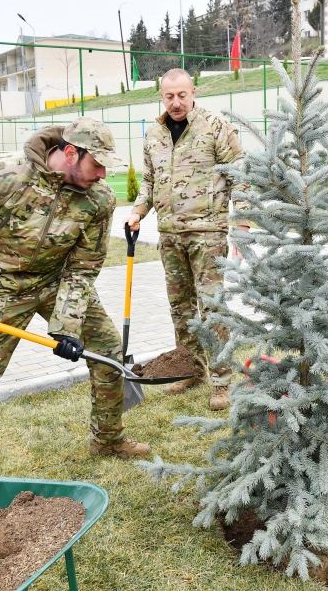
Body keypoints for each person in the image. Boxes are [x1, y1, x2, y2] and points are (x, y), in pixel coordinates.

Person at [0, 118, 150, 473]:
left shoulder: (99, 199)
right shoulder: (6, 174)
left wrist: (66, 326)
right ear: (71, 153)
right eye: (97, 164)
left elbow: (83, 267)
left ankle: (108, 439)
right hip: (2, 289)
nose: (103, 174)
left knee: (106, 349)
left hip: (58, 281)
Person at [126, 68, 249, 411]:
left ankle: (221, 381)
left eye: (182, 95)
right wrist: (138, 212)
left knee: (212, 308)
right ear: (161, 96)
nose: (176, 102)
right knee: (180, 309)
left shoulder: (214, 126)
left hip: (207, 233)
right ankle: (189, 369)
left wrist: (243, 221)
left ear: (193, 92)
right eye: (169, 96)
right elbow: (149, 182)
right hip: (169, 235)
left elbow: (240, 173)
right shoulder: (153, 133)